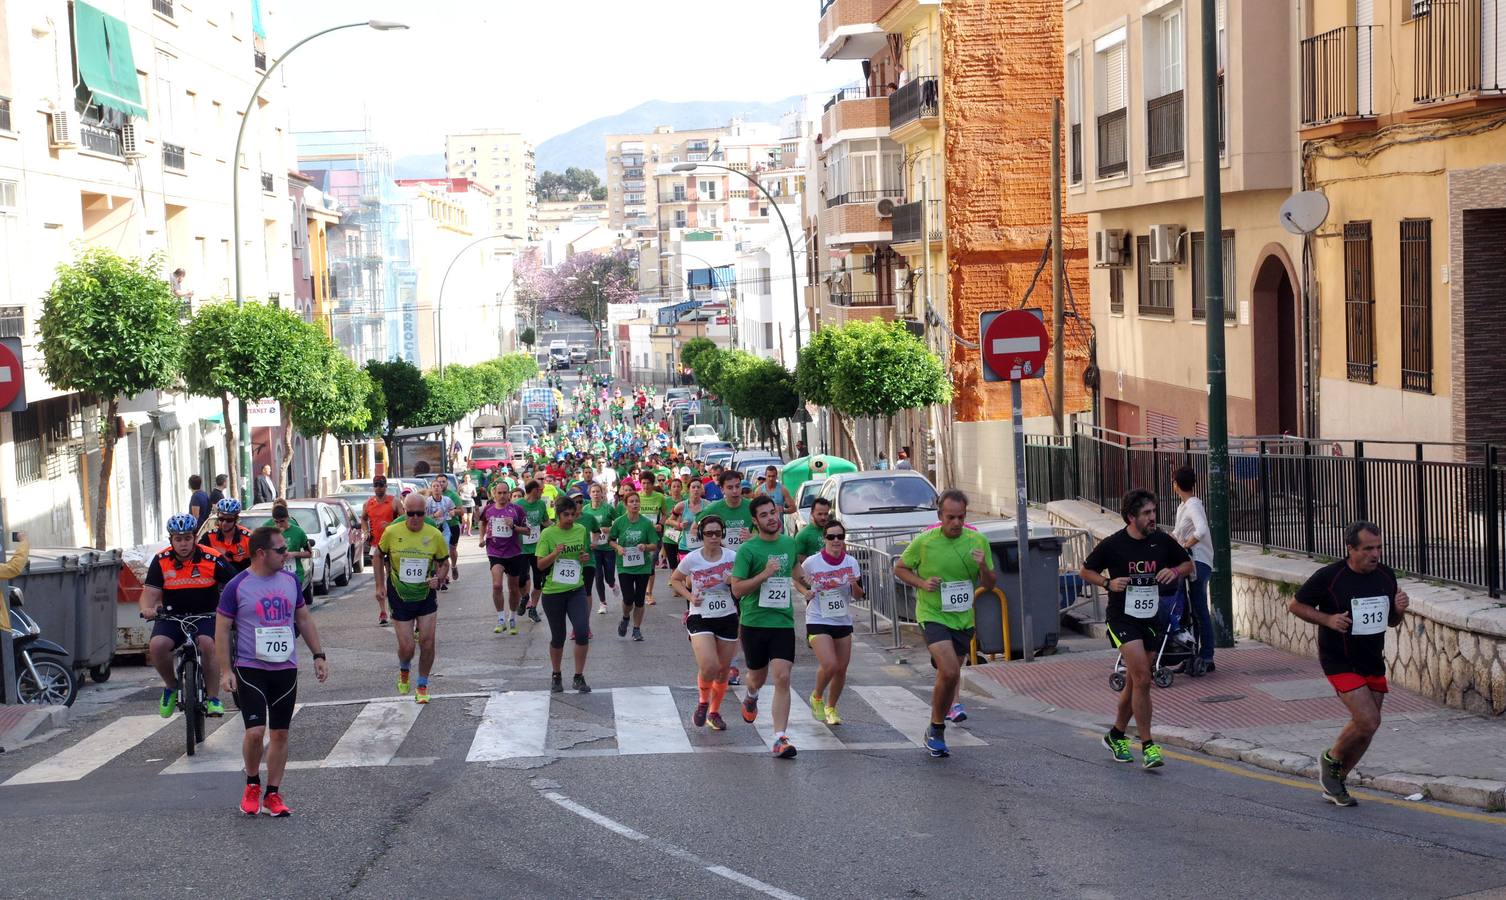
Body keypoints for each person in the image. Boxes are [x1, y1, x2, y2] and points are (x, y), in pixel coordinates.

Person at [1290, 521, 1410, 808]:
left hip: (1372, 659)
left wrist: (1399, 610)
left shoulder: (1385, 575)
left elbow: (1390, 622)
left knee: (1368, 728)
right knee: (1368, 719)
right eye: (1368, 548)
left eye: (1379, 547)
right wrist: (1328, 619)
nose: (1375, 554)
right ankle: (1330, 760)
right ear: (1351, 549)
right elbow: (1296, 605)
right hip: (1339, 659)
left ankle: (1336, 780)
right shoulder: (1331, 576)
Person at [216, 526, 328, 817]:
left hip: (285, 669)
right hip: (251, 668)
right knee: (254, 733)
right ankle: (252, 783)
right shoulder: (237, 585)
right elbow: (222, 628)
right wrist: (225, 670)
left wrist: (319, 655)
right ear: (261, 553)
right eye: (281, 550)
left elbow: (303, 619)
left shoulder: (291, 581)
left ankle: (273, 794)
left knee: (280, 734)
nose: (286, 554)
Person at [1079, 489, 1193, 770]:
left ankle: (1116, 734)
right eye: (1147, 513)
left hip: (1152, 618)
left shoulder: (1162, 541)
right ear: (1131, 517)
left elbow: (1188, 563)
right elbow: (1085, 570)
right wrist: (1107, 583)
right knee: (1142, 677)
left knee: (1134, 681)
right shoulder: (1114, 545)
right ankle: (1148, 745)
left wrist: (1175, 572)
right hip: (1122, 618)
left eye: (1154, 512)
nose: (1153, 518)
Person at [894, 489, 998, 758]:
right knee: (951, 672)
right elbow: (900, 568)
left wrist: (984, 567)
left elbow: (989, 585)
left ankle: (940, 663)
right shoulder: (925, 542)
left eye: (961, 517)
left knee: (949, 674)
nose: (956, 523)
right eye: (951, 517)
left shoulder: (978, 541)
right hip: (932, 614)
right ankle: (936, 728)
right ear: (940, 516)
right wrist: (922, 583)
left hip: (963, 618)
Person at [729, 495, 803, 760]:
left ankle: (779, 737)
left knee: (782, 676)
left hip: (782, 621)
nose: (771, 518)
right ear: (755, 520)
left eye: (773, 512)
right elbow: (736, 589)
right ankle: (751, 694)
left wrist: (807, 586)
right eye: (764, 515)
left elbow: (795, 570)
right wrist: (763, 575)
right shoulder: (748, 551)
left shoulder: (788, 543)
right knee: (756, 677)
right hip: (754, 622)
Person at [141, 514, 233, 719]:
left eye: (187, 538)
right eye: (178, 539)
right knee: (157, 646)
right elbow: (149, 594)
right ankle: (172, 687)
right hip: (172, 617)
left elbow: (235, 584)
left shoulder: (212, 558)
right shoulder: (161, 560)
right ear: (171, 540)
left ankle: (212, 698)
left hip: (206, 615)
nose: (183, 544)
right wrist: (148, 608)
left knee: (208, 645)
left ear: (194, 538)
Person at [377, 492, 450, 704]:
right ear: (404, 511)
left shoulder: (434, 534)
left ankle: (422, 684)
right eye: (411, 513)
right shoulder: (392, 532)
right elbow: (377, 554)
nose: (415, 518)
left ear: (425, 513)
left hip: (426, 596)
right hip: (399, 595)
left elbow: (444, 563)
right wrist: (379, 585)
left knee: (427, 642)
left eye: (419, 514)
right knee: (407, 647)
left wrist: (439, 577)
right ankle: (404, 669)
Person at [672, 514, 737, 731]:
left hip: (727, 615)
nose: (713, 537)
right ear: (702, 535)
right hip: (700, 616)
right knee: (710, 665)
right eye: (709, 533)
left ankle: (714, 712)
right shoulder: (692, 558)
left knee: (723, 670)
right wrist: (690, 597)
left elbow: (742, 583)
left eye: (717, 533)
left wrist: (732, 581)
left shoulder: (732, 556)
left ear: (723, 534)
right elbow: (675, 579)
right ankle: (702, 702)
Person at [797, 517, 862, 725]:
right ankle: (816, 696)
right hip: (817, 617)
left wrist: (854, 585)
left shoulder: (851, 562)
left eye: (840, 537)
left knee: (841, 668)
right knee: (830, 664)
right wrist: (804, 592)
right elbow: (796, 579)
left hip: (841, 619)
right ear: (824, 539)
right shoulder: (812, 562)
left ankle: (831, 707)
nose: (836, 540)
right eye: (831, 537)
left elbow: (860, 596)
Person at [534, 495, 594, 693]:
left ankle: (578, 676)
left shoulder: (581, 530)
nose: (570, 518)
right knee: (558, 637)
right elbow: (540, 564)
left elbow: (582, 555)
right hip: (553, 593)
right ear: (558, 515)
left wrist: (584, 557)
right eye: (566, 515)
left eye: (573, 515)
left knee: (582, 632)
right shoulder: (548, 534)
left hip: (576, 589)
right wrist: (555, 554)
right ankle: (556, 674)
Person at [1171, 466, 1215, 672]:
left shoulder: (1193, 505)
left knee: (1199, 610)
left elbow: (1202, 530)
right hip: (1190, 563)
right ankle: (1192, 654)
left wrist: (1186, 546)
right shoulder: (1183, 507)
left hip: (1198, 562)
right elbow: (1178, 534)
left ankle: (1206, 655)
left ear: (1176, 485)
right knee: (1189, 611)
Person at [480, 482, 529, 635]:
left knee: (513, 588)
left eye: (504, 493)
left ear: (509, 494)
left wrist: (513, 526)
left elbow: (527, 531)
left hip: (514, 553)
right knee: (497, 586)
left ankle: (512, 617)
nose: (502, 496)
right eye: (499, 493)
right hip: (495, 552)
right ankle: (501, 618)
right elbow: (482, 522)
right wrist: (482, 538)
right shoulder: (488, 509)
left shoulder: (517, 510)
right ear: (494, 494)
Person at [609, 491, 657, 641]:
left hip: (642, 566)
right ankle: (625, 617)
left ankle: (636, 629)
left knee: (640, 600)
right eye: (631, 501)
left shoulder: (646, 523)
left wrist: (645, 546)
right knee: (628, 598)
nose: (635, 504)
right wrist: (618, 548)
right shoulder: (619, 522)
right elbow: (610, 540)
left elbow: (654, 545)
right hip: (625, 566)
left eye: (637, 501)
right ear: (626, 504)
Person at [363, 476, 402, 626]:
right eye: (376, 485)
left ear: (386, 486)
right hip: (376, 545)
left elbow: (404, 518)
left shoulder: (394, 501)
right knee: (379, 582)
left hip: (392, 545)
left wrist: (391, 524)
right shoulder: (369, 503)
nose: (378, 488)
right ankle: (382, 612)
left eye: (381, 485)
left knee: (392, 579)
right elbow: (363, 519)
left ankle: (394, 608)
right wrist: (366, 532)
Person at [263, 502, 314, 608]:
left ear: (287, 518)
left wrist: (294, 554)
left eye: (282, 521)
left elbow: (309, 553)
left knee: (292, 605)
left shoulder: (298, 532)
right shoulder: (270, 533)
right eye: (276, 522)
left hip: (295, 574)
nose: (279, 524)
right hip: (275, 575)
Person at [580, 482, 620, 615]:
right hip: (593, 548)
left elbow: (618, 523)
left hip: (608, 548)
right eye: (593, 492)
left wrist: (609, 529)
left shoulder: (608, 509)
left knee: (609, 576)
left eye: (598, 491)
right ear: (589, 494)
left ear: (602, 494)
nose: (596, 494)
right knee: (598, 576)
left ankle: (613, 584)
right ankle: (603, 603)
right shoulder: (585, 509)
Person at [516, 480, 551, 622]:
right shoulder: (518, 505)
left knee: (539, 581)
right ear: (534, 490)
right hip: (522, 548)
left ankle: (533, 609)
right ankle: (524, 597)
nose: (542, 492)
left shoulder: (541, 504)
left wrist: (558, 528)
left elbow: (545, 522)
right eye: (540, 490)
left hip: (538, 548)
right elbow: (513, 525)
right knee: (521, 579)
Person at [701, 470, 754, 553]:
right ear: (722, 489)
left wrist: (752, 537)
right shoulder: (713, 508)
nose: (735, 491)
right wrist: (713, 539)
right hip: (722, 558)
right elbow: (694, 528)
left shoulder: (752, 506)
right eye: (730, 487)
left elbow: (768, 533)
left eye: (737, 486)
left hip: (747, 555)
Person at [637, 472, 667, 605]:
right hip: (638, 534)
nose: (646, 486)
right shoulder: (636, 496)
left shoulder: (660, 497)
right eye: (643, 483)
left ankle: (649, 593)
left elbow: (666, 514)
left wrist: (660, 523)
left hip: (654, 534)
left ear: (652, 483)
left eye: (648, 483)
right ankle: (639, 591)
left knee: (651, 562)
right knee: (638, 563)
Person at [201, 499, 253, 572]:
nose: (224, 523)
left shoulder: (248, 537)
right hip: (219, 580)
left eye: (229, 520)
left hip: (243, 579)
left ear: (236, 519)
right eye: (221, 519)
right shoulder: (208, 537)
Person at [424, 478, 457, 591]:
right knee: (434, 556)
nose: (437, 488)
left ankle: (442, 581)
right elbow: (423, 518)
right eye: (434, 486)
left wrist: (453, 513)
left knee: (443, 554)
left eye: (438, 486)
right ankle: (438, 578)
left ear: (441, 488)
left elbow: (454, 510)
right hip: (431, 530)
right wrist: (433, 516)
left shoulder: (447, 500)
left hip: (444, 529)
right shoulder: (427, 501)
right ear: (431, 489)